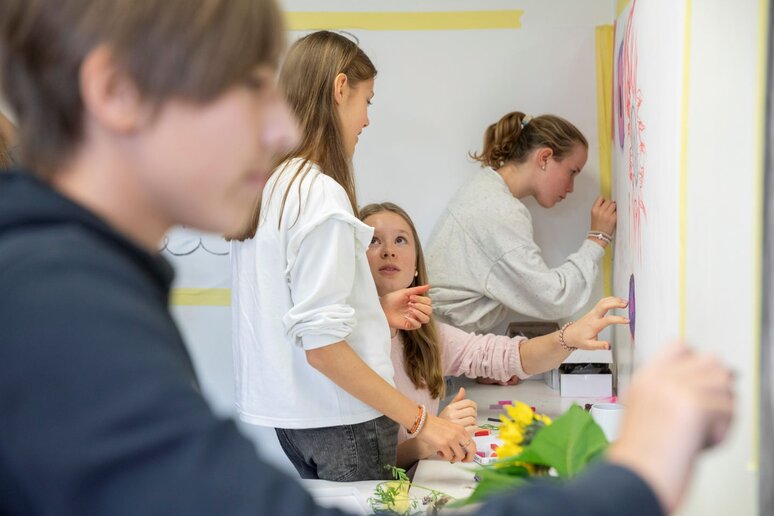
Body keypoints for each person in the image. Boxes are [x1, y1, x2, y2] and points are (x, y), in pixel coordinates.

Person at [0, 1, 734, 514]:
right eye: (249, 90)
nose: (273, 127)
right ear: (116, 92)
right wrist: (637, 473)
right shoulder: (66, 319)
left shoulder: (77, 287)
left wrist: (374, 317)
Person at [228, 30, 473, 482]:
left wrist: (375, 313)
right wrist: (423, 422)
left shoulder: (270, 186)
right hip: (342, 422)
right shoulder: (320, 194)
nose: (366, 120)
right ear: (340, 89)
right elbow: (322, 350)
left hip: (294, 423)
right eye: (367, 101)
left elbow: (291, 314)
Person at [359, 202, 630, 468]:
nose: (389, 252)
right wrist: (433, 435)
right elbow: (364, 465)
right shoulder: (344, 341)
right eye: (373, 241)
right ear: (353, 258)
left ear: (417, 265)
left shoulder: (428, 336)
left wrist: (569, 336)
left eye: (401, 240)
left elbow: (511, 356)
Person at [425, 111, 618, 333]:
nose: (571, 188)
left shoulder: (485, 188)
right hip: (439, 348)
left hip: (439, 340)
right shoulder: (499, 211)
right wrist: (597, 239)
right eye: (572, 172)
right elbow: (554, 298)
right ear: (544, 157)